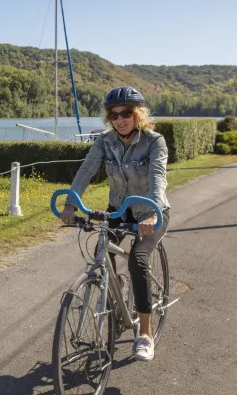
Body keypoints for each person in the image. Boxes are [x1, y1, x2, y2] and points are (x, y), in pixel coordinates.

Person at [61, 86, 170, 362]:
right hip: (119, 209)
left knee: (138, 260)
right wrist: (71, 203)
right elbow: (86, 169)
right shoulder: (105, 141)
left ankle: (144, 335)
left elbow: (158, 177)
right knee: (102, 255)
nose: (120, 119)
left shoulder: (154, 141)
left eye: (125, 113)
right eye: (114, 114)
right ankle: (115, 287)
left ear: (137, 115)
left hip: (151, 211)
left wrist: (153, 212)